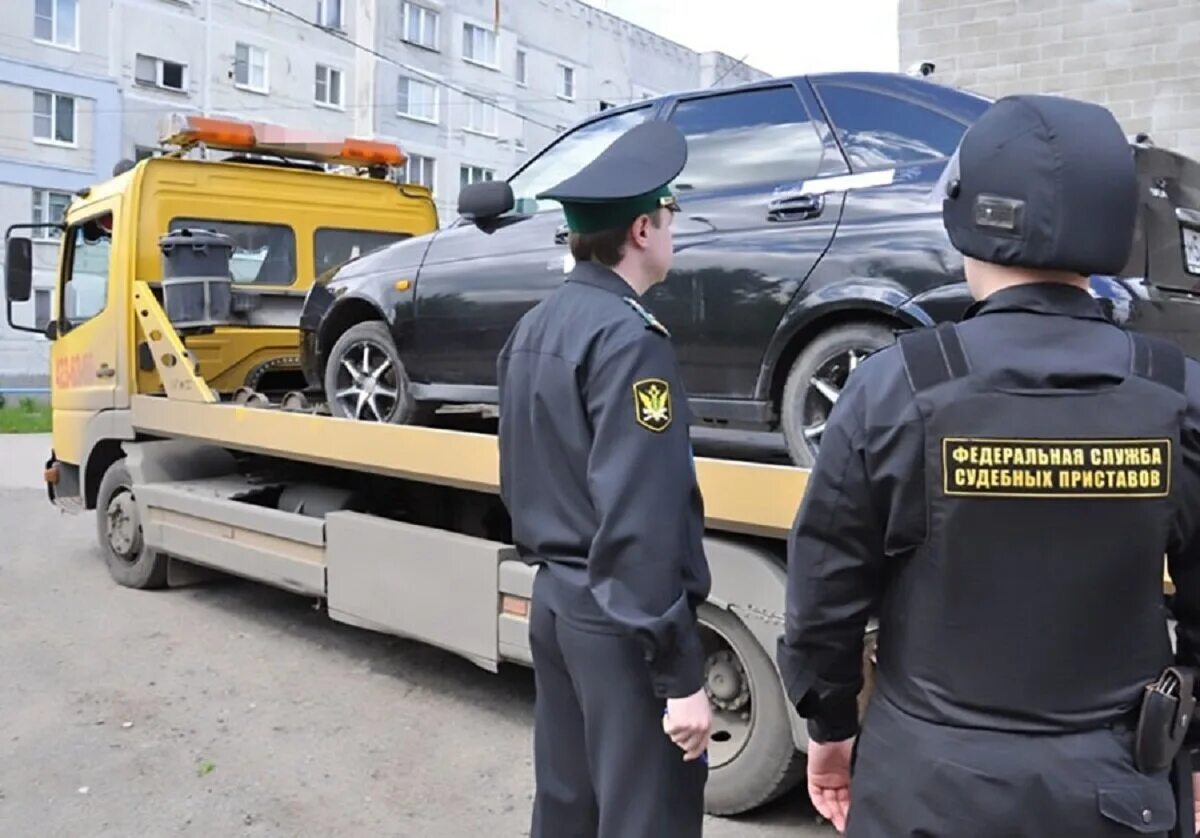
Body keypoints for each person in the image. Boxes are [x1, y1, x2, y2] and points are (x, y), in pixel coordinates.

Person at [776, 92, 1200, 837]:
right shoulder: (1176, 394)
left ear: (973, 215)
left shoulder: (893, 386)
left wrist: (830, 727)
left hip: (926, 791)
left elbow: (825, 592)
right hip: (1114, 795)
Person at [496, 119, 713, 838]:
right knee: (645, 815)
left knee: (567, 808)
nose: (676, 228)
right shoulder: (630, 339)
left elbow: (520, 476)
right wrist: (680, 676)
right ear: (644, 229)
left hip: (556, 601)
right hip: (621, 620)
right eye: (672, 213)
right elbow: (642, 519)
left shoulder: (536, 326)